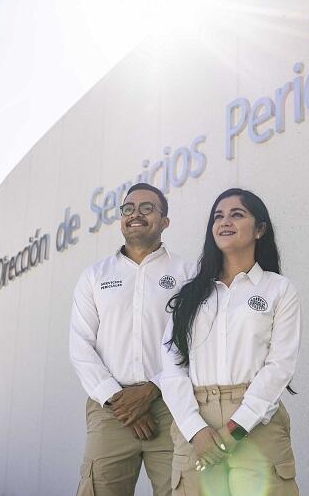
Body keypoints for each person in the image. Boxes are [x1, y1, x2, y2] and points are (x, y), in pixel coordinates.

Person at [160, 188, 301, 495]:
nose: (225, 222)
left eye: (237, 214)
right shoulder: (189, 295)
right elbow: (171, 368)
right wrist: (196, 431)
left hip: (256, 421)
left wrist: (234, 430)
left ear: (260, 229)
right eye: (218, 216)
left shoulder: (278, 289)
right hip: (195, 418)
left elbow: (280, 366)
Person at [70, 182, 194, 496]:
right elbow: (80, 345)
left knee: (181, 489)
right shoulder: (94, 276)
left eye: (147, 208)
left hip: (170, 406)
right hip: (110, 410)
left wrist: (151, 389)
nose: (135, 214)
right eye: (128, 209)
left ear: (165, 221)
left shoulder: (188, 273)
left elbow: (195, 341)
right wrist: (118, 399)